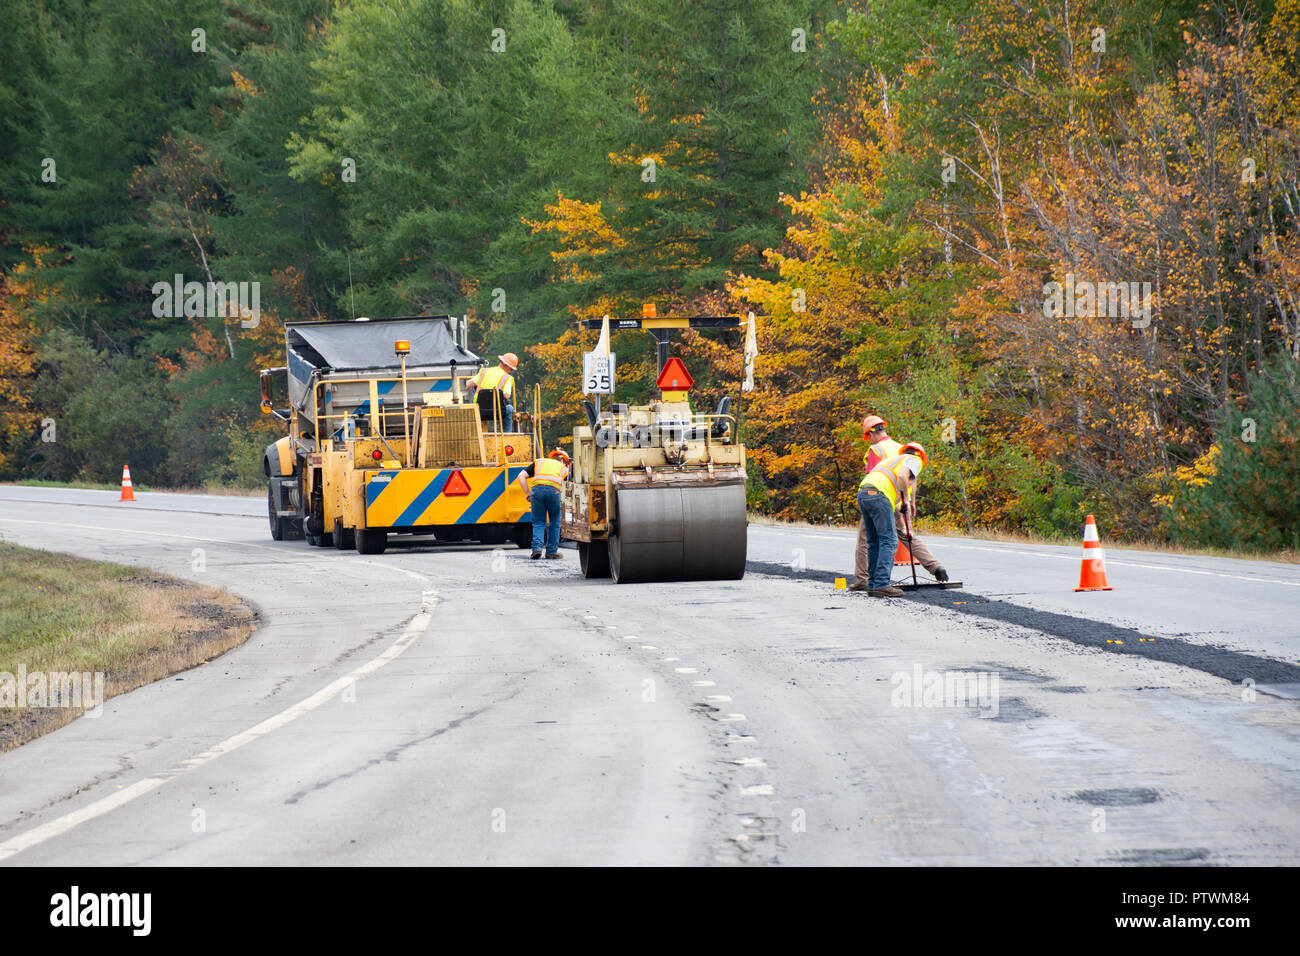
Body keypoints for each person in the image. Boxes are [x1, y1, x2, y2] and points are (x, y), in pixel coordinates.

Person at [852, 416, 949, 589]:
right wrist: (911, 502)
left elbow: (873, 474)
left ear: (871, 433)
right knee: (907, 536)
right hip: (896, 499)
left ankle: (864, 580)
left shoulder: (876, 449)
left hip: (880, 496)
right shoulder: (901, 448)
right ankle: (935, 566)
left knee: (867, 539)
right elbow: (911, 477)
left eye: (869, 436)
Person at [855, 442, 927, 597]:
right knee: (889, 540)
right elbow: (902, 476)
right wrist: (906, 499)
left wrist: (902, 507)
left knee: (874, 541)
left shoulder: (892, 461)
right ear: (920, 455)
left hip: (863, 493)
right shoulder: (914, 460)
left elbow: (893, 494)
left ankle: (873, 584)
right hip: (879, 495)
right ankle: (881, 583)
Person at [516, 448, 570, 559]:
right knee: (554, 522)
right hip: (554, 492)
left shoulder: (539, 462)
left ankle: (536, 549)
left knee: (538, 522)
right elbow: (567, 488)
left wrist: (527, 493)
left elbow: (521, 476)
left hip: (537, 491)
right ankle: (551, 551)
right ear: (564, 461)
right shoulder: (564, 469)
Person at [467, 353, 518, 432]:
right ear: (507, 366)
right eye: (511, 369)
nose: (510, 371)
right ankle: (507, 435)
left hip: (478, 409)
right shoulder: (507, 378)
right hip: (497, 411)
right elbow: (507, 396)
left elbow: (468, 384)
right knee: (510, 409)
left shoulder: (484, 371)